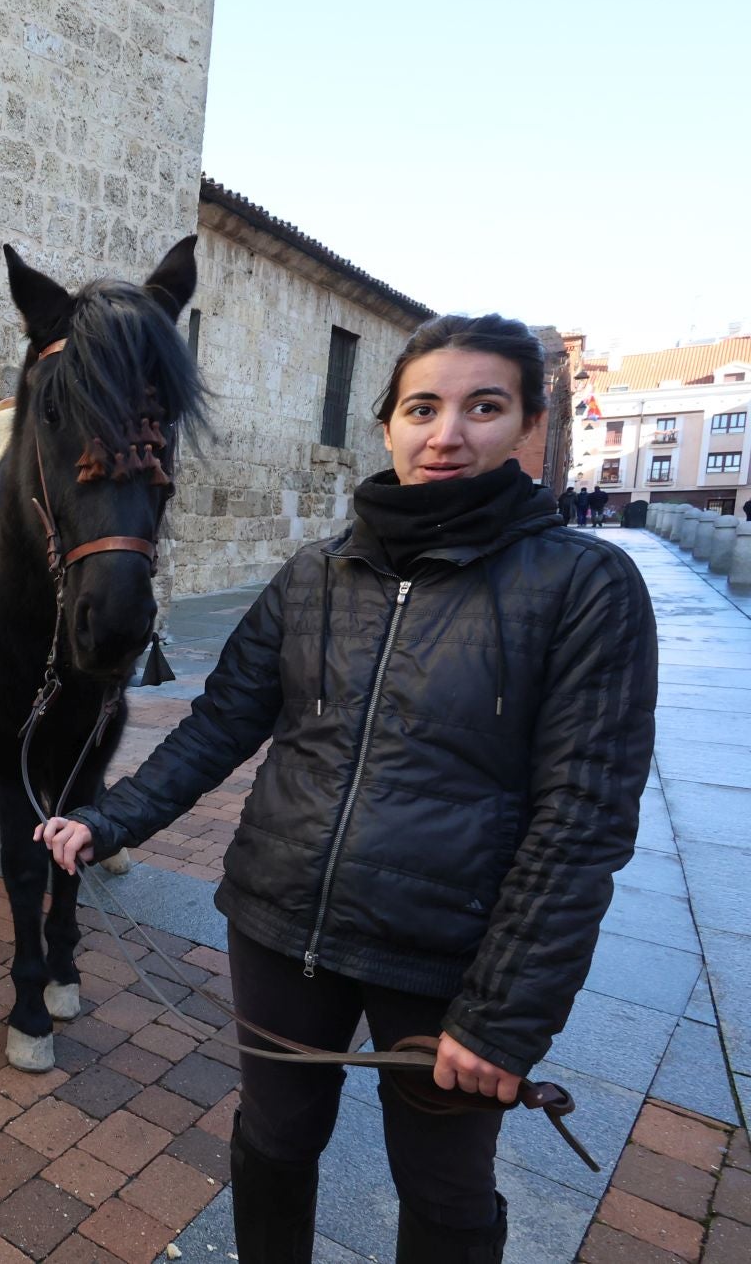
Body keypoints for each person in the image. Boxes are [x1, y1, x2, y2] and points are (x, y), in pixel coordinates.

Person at [36, 314, 656, 1264]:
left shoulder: (586, 586)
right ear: (388, 427)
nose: (447, 433)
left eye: (482, 407)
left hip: (448, 957)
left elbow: (583, 821)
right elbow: (220, 724)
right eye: (423, 407)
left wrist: (504, 1017)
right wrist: (108, 819)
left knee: (444, 1189)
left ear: (527, 426)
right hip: (280, 926)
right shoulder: (316, 574)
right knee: (274, 1142)